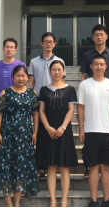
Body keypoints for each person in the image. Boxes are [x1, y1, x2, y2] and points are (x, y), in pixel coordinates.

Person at [0, 65, 39, 206]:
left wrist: (35, 132)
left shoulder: (32, 93)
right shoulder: (5, 93)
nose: (20, 78)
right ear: (12, 77)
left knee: (20, 168)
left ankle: (16, 202)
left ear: (27, 77)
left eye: (23, 76)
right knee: (6, 167)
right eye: (18, 76)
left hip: (25, 136)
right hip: (7, 135)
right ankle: (8, 203)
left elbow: (35, 113)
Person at [80, 24, 109, 179]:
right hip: (92, 93)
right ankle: (89, 166)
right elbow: (84, 75)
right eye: (96, 34)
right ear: (92, 37)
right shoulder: (87, 55)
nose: (99, 37)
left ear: (106, 37)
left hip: (108, 94)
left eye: (101, 34)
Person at [78, 54, 109, 208]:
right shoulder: (84, 85)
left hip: (108, 132)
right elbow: (80, 108)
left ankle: (106, 200)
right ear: (91, 66)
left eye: (101, 64)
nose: (98, 66)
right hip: (90, 131)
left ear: (106, 67)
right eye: (95, 64)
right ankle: (94, 200)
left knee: (106, 167)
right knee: (93, 167)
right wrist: (81, 129)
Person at [37, 60, 78, 208]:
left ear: (63, 71)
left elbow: (71, 110)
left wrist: (63, 127)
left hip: (64, 132)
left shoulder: (70, 89)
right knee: (51, 166)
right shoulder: (44, 90)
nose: (56, 72)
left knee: (64, 166)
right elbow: (41, 111)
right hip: (47, 132)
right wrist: (47, 127)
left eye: (59, 69)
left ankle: (64, 200)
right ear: (50, 72)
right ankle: (53, 199)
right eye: (54, 69)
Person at [29, 32, 64, 178]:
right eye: (46, 41)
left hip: (55, 101)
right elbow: (31, 81)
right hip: (39, 100)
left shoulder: (59, 61)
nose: (48, 44)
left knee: (54, 131)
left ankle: (55, 164)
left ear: (54, 44)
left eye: (51, 42)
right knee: (40, 133)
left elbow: (62, 81)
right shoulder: (33, 61)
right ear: (41, 44)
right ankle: (40, 166)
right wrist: (31, 95)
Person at [0, 38, 26, 117]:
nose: (9, 49)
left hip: (17, 102)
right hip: (0, 102)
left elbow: (24, 84)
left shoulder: (21, 65)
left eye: (11, 47)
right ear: (3, 49)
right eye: (7, 47)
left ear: (15, 50)